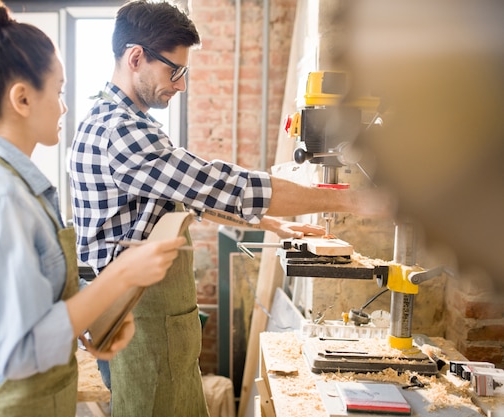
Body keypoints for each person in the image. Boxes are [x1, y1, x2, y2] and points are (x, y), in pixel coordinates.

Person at [69, 1, 393, 416]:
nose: (181, 85)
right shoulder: (122, 131)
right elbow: (219, 184)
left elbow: (186, 196)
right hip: (141, 318)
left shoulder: (120, 121)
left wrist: (273, 222)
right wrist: (349, 199)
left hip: (147, 314)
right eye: (176, 71)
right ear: (136, 58)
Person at [0, 1, 186, 416]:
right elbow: (21, 351)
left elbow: (38, 298)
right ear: (23, 98)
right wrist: (119, 277)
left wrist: (97, 315)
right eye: (59, 91)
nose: (64, 107)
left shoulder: (20, 187)